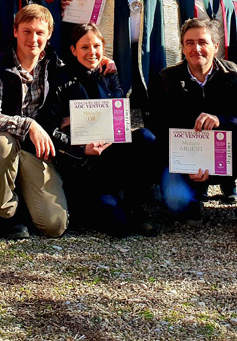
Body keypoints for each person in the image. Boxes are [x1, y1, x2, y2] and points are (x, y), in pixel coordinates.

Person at [151, 18, 237, 243]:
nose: (196, 49)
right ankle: (192, 201)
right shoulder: (166, 79)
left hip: (228, 158)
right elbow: (156, 125)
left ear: (216, 46)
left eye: (203, 42)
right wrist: (186, 164)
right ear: (182, 48)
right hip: (185, 161)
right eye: (189, 43)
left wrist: (220, 120)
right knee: (177, 204)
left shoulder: (235, 74)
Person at [38, 23, 158, 237]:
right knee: (119, 228)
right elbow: (50, 127)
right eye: (84, 47)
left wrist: (76, 118)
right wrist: (80, 148)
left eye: (96, 46)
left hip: (111, 149)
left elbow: (122, 114)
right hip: (83, 161)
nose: (91, 52)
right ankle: (98, 203)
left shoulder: (109, 72)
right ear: (73, 50)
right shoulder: (60, 79)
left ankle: (136, 204)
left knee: (145, 137)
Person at [0, 5, 70, 239]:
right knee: (3, 144)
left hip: (34, 152)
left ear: (49, 35)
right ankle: (7, 214)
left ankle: (26, 196)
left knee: (54, 225)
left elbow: (88, 66)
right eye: (27, 31)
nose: (33, 39)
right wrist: (28, 125)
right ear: (15, 31)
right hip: (1, 147)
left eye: (40, 32)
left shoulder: (57, 68)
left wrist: (103, 65)